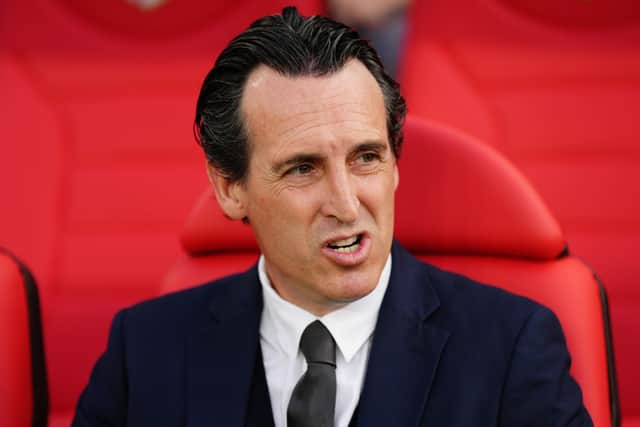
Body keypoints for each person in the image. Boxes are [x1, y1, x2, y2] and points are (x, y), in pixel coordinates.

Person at [71, 6, 592, 427]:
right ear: (230, 189)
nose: (346, 204)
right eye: (303, 168)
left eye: (366, 158)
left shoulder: (512, 346)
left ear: (394, 165)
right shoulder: (142, 351)